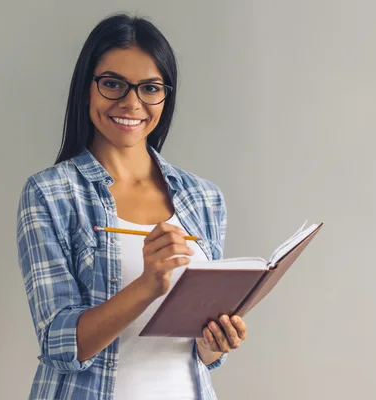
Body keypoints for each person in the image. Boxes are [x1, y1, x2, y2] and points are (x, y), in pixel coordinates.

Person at [16, 13, 247, 400]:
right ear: (86, 87)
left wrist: (215, 342)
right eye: (112, 84)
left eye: (149, 88)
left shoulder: (204, 198)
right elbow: (59, 343)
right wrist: (146, 286)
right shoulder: (50, 193)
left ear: (165, 95)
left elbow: (195, 354)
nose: (131, 103)